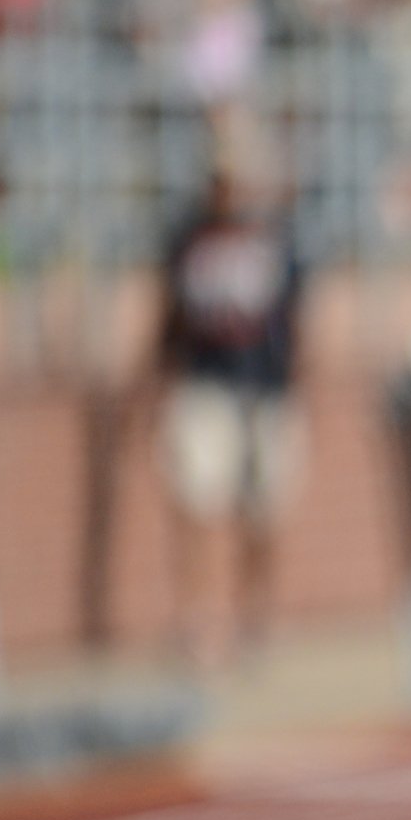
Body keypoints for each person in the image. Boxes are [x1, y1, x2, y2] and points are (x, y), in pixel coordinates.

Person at [148, 121, 307, 670]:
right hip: (205, 386)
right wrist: (152, 384)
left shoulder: (277, 239)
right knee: (196, 505)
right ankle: (197, 622)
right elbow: (167, 318)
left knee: (262, 515)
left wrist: (296, 392)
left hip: (264, 391)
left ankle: (254, 622)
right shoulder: (187, 237)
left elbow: (296, 323)